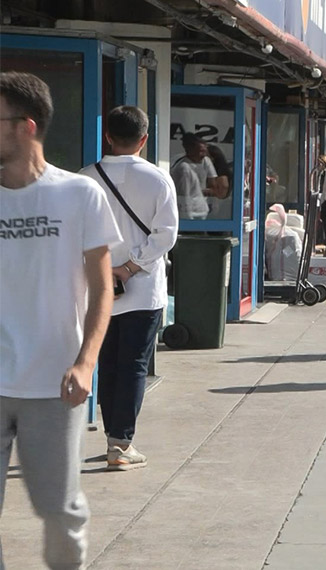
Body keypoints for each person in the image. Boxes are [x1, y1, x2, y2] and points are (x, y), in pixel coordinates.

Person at [1, 71, 122, 569]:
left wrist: (86, 362)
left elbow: (102, 288)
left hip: (54, 385)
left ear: (25, 126)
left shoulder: (79, 195)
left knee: (59, 510)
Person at [78, 105, 179, 471]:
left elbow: (77, 235)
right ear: (144, 139)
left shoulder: (85, 178)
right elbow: (166, 235)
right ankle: (120, 444)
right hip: (143, 287)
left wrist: (107, 268)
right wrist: (131, 267)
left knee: (107, 363)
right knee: (134, 365)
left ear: (107, 136)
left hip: (98, 288)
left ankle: (112, 438)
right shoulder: (157, 179)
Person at [170, 133, 218, 220]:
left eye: (205, 151)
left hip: (202, 209)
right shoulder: (183, 167)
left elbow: (214, 187)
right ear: (190, 150)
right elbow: (184, 194)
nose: (203, 155)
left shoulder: (206, 161)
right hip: (188, 211)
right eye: (200, 151)